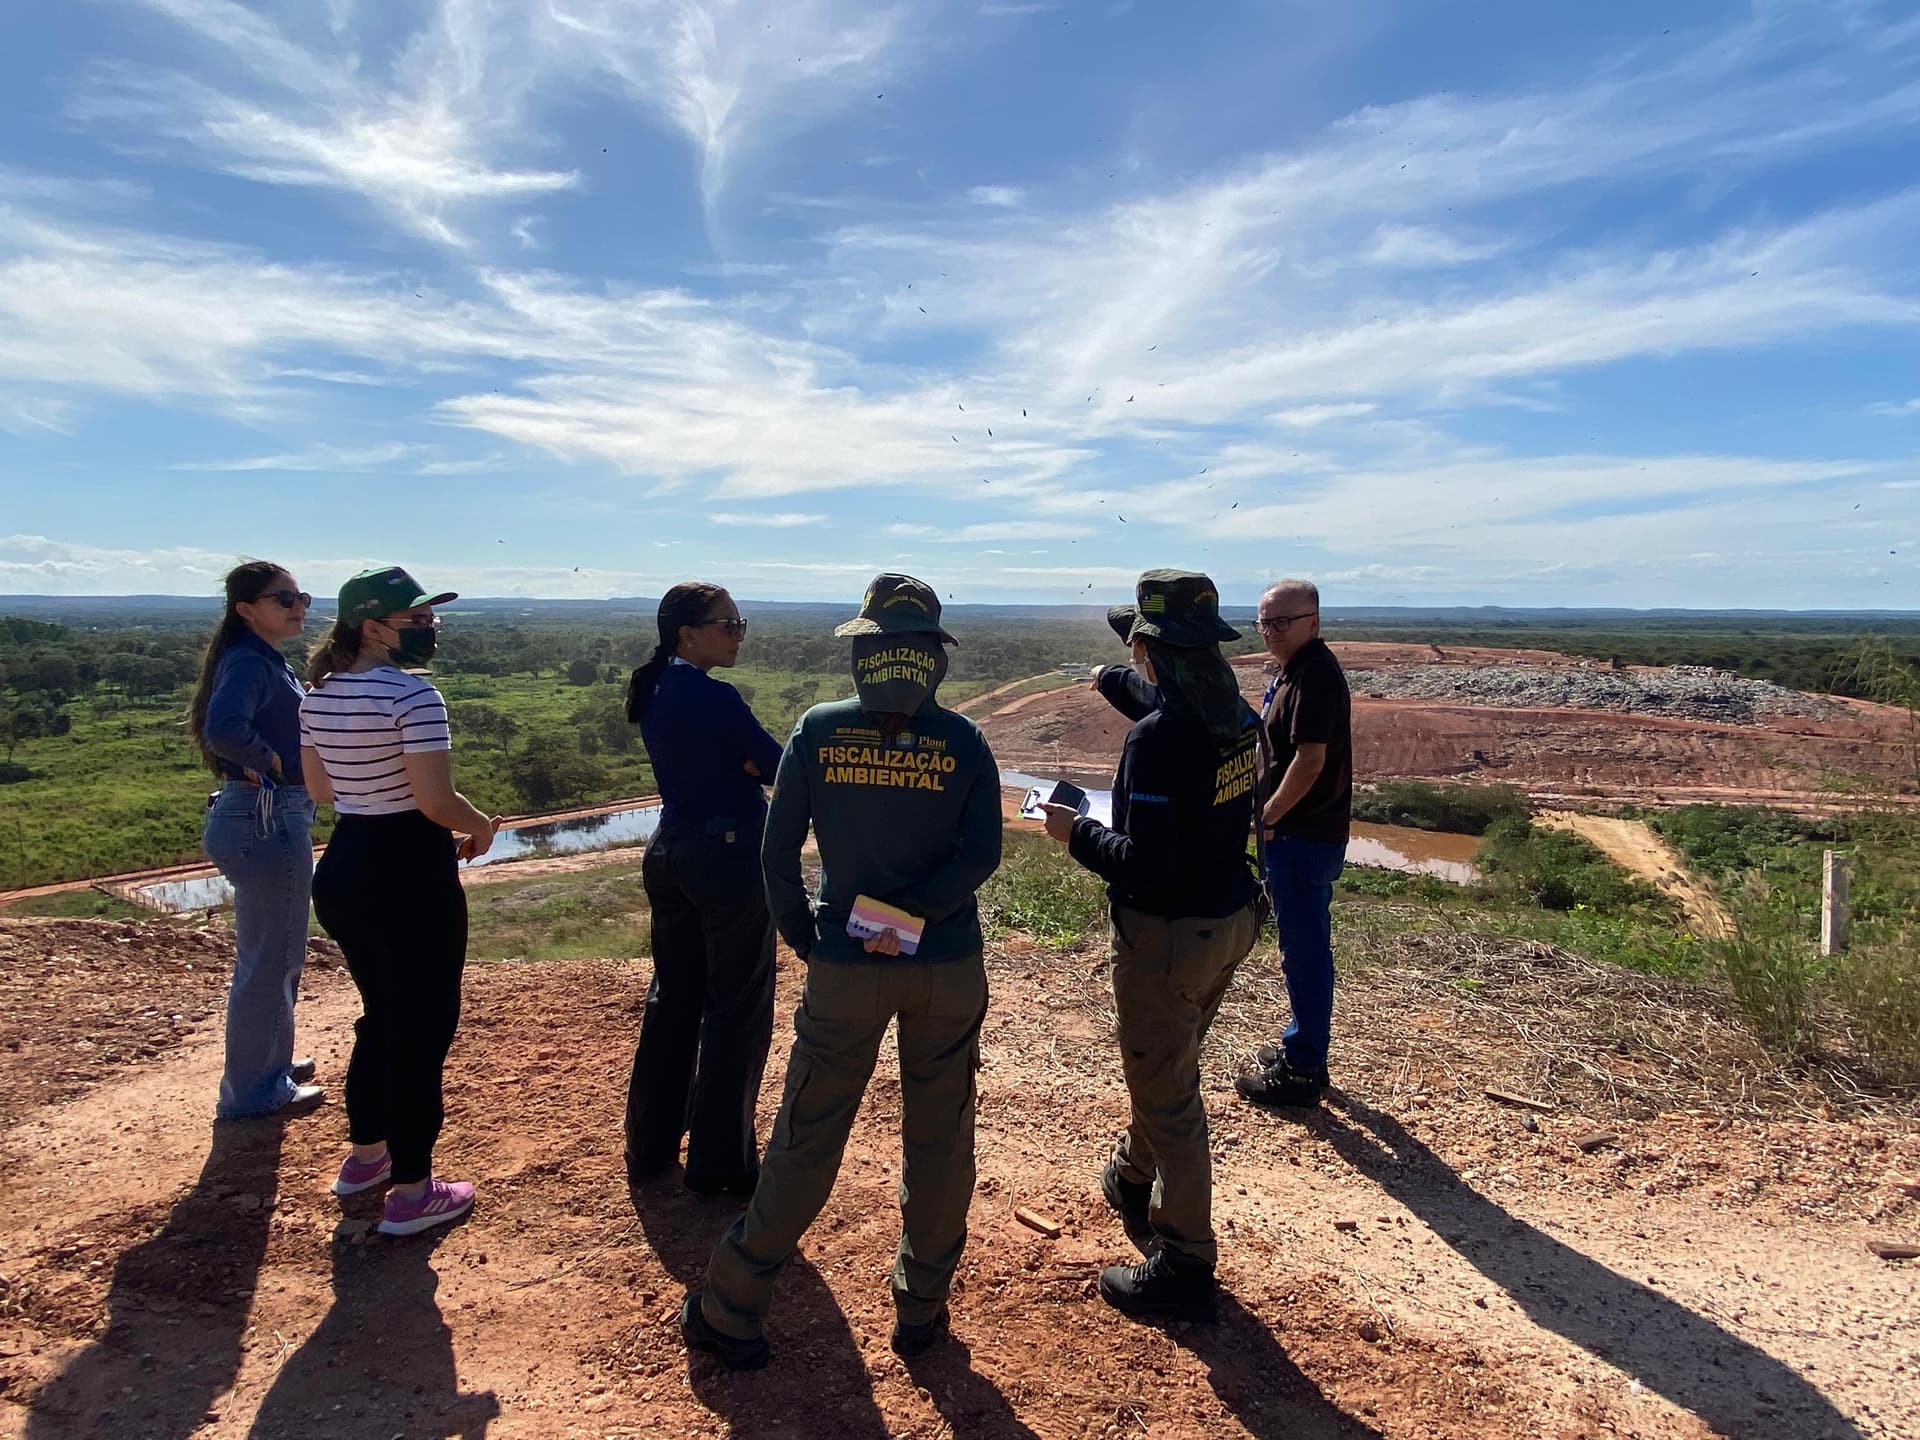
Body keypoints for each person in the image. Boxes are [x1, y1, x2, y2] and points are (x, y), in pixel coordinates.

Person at [682, 574, 1002, 1370]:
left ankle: (733, 1304)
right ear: (933, 656)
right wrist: (914, 917)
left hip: (846, 968)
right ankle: (921, 1309)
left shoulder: (818, 732)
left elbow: (776, 850)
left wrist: (809, 934)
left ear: (865, 649)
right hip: (945, 965)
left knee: (806, 1137)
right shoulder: (962, 741)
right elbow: (981, 854)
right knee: (940, 1138)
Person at [1039, 570, 1261, 1320]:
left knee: (1170, 1093)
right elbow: (1174, 714)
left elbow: (1148, 865)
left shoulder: (1156, 741)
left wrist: (1076, 833)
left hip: (1169, 935)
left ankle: (1186, 1259)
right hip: (1229, 919)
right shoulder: (1234, 713)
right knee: (1169, 1059)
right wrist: (1113, 681)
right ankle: (1135, 1175)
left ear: (1146, 647)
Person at [299, 567, 501, 1237]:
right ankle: (414, 1192)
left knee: (381, 1014)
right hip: (409, 870)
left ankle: (366, 1157)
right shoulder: (413, 697)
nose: (428, 628)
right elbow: (435, 801)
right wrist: (481, 825)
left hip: (347, 863)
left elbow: (322, 790)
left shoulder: (316, 694)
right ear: (373, 626)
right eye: (416, 619)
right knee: (422, 1028)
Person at [622, 582, 783, 1197]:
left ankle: (650, 1143)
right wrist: (746, 766)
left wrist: (740, 763)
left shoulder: (659, 687)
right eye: (729, 624)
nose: (738, 633)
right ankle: (721, 1164)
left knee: (675, 997)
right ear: (688, 634)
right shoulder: (716, 699)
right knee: (736, 1008)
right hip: (729, 856)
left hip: (670, 850)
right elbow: (773, 765)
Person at [188, 560, 324, 1120]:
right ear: (246, 610)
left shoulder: (264, 659)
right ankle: (254, 1090)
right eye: (283, 599)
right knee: (273, 957)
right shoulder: (249, 660)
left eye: (301, 598)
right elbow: (222, 728)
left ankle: (269, 1065)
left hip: (258, 815)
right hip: (265, 816)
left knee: (276, 952)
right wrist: (273, 762)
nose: (297, 608)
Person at [1234, 579, 1353, 1110]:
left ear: (1314, 621)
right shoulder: (1294, 671)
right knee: (1301, 947)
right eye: (1264, 622)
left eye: (1282, 621)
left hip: (1301, 836)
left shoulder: (1316, 676)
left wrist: (1268, 815)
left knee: (1303, 952)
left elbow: (1310, 760)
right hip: (1297, 833)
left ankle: (1303, 1070)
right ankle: (1299, 1045)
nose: (1270, 632)